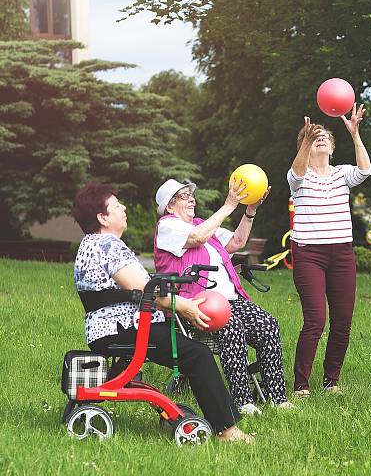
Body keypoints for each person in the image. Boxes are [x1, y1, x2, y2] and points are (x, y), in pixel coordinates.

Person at [72, 184, 251, 442]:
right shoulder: (109, 245)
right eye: (116, 206)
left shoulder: (91, 244)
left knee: (193, 354)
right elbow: (146, 291)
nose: (123, 208)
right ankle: (228, 431)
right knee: (198, 356)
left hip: (109, 329)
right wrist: (185, 306)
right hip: (125, 328)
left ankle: (207, 420)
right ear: (102, 218)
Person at [153, 177, 293, 413]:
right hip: (195, 302)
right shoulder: (168, 226)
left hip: (230, 299)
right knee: (233, 327)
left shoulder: (202, 224)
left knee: (268, 325)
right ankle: (242, 400)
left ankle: (277, 397)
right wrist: (229, 205)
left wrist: (250, 210)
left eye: (191, 195)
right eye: (184, 196)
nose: (191, 199)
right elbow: (196, 238)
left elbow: (237, 242)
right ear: (169, 206)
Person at [288, 104, 371, 396]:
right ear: (306, 147)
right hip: (309, 253)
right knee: (315, 321)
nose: (320, 138)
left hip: (342, 255)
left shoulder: (341, 174)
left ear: (333, 148)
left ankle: (331, 380)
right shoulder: (298, 177)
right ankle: (301, 385)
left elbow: (365, 169)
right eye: (314, 137)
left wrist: (355, 133)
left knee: (343, 321)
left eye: (325, 137)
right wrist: (307, 141)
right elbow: (296, 174)